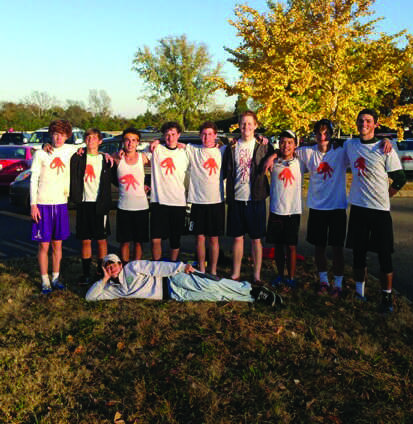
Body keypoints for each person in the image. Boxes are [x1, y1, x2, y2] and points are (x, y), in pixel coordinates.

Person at [344, 108, 406, 313]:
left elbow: (400, 179)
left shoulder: (384, 148)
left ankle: (386, 297)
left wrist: (385, 196)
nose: (364, 124)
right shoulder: (350, 145)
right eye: (361, 120)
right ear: (356, 123)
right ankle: (360, 293)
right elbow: (329, 146)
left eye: (368, 121)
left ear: (375, 124)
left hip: (379, 211)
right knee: (358, 254)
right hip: (359, 209)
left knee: (384, 255)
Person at [85, 254, 282, 306]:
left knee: (211, 282)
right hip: (172, 296)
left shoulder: (132, 267)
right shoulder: (111, 288)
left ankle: (248, 288)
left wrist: (180, 267)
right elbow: (90, 297)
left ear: (120, 263)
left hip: (173, 279)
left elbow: (156, 267)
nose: (111, 268)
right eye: (107, 266)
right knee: (213, 296)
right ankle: (253, 298)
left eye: (113, 264)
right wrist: (103, 280)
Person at [296, 119, 349, 297]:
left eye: (326, 133)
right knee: (319, 247)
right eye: (319, 133)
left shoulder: (341, 152)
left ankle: (339, 284)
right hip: (317, 208)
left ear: (332, 134)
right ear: (315, 134)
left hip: (337, 208)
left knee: (337, 248)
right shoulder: (307, 152)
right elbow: (286, 151)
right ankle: (324, 281)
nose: (323, 137)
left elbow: (361, 146)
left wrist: (385, 141)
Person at [222, 110, 274, 284]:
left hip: (256, 198)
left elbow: (280, 151)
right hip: (236, 197)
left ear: (256, 126)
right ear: (239, 125)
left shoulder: (263, 145)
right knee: (237, 238)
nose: (246, 127)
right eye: (243, 123)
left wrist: (272, 154)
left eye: (250, 123)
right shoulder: (232, 146)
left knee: (256, 239)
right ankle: (235, 273)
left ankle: (256, 276)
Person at [30, 119, 76, 294]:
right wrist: (33, 205)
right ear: (51, 135)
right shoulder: (40, 154)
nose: (58, 138)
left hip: (61, 204)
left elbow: (92, 148)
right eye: (55, 134)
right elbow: (33, 180)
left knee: (58, 245)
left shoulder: (70, 150)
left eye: (62, 135)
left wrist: (110, 155)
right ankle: (45, 281)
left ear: (67, 136)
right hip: (43, 204)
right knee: (44, 246)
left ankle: (56, 278)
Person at [69, 128, 113, 285]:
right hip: (83, 203)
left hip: (100, 204)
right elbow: (58, 150)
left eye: (95, 138)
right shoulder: (78, 157)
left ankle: (102, 271)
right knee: (85, 240)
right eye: (88, 137)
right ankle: (86, 273)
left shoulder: (105, 160)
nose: (91, 140)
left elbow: (118, 177)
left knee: (101, 240)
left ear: (100, 141)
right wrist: (46, 144)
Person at [185, 121, 225, 275]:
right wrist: (156, 142)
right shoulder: (193, 150)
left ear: (215, 135)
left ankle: (213, 271)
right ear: (200, 135)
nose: (207, 137)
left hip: (216, 201)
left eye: (210, 134)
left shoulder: (223, 150)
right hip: (197, 201)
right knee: (200, 238)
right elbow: (175, 144)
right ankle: (201, 269)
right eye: (203, 134)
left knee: (214, 239)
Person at [266, 130, 304, 290]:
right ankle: (280, 275)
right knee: (278, 247)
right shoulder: (274, 162)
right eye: (282, 142)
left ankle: (291, 277)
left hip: (293, 211)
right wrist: (273, 155)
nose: (285, 146)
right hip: (276, 209)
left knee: (291, 246)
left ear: (295, 144)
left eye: (289, 142)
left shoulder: (300, 161)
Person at [150, 121, 189, 261]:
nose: (170, 137)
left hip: (178, 202)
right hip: (158, 201)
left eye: (173, 134)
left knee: (175, 239)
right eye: (167, 135)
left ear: (179, 135)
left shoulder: (185, 152)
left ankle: (172, 266)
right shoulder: (156, 150)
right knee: (155, 238)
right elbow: (135, 156)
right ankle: (157, 266)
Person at [114, 127, 151, 263]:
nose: (130, 143)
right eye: (127, 140)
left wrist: (150, 184)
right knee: (124, 242)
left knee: (138, 242)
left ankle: (136, 268)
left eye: (134, 140)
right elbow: (98, 155)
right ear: (123, 142)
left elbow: (161, 170)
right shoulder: (117, 158)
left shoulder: (143, 158)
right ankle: (124, 267)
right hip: (124, 207)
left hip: (141, 207)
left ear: (138, 143)